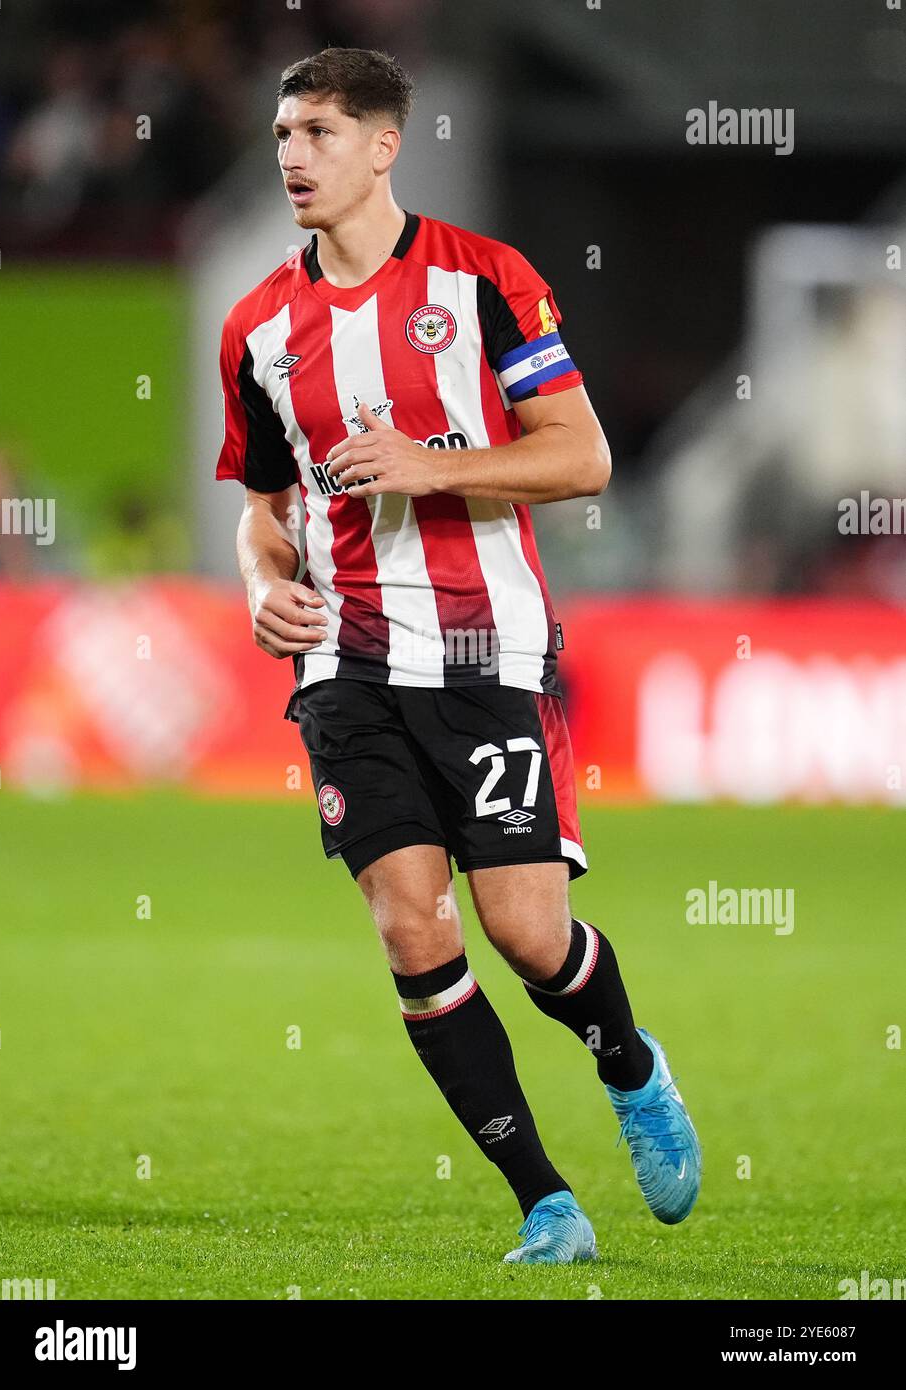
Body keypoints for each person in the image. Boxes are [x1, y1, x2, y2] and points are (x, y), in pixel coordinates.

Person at [216, 46, 700, 1264]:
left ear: (385, 146)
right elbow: (263, 506)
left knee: (528, 934)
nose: (291, 156)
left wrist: (433, 464)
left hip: (489, 651)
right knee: (412, 931)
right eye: (281, 134)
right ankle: (545, 1200)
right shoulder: (259, 324)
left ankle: (633, 1070)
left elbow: (581, 456)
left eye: (318, 132)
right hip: (348, 668)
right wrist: (264, 584)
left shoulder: (487, 281)